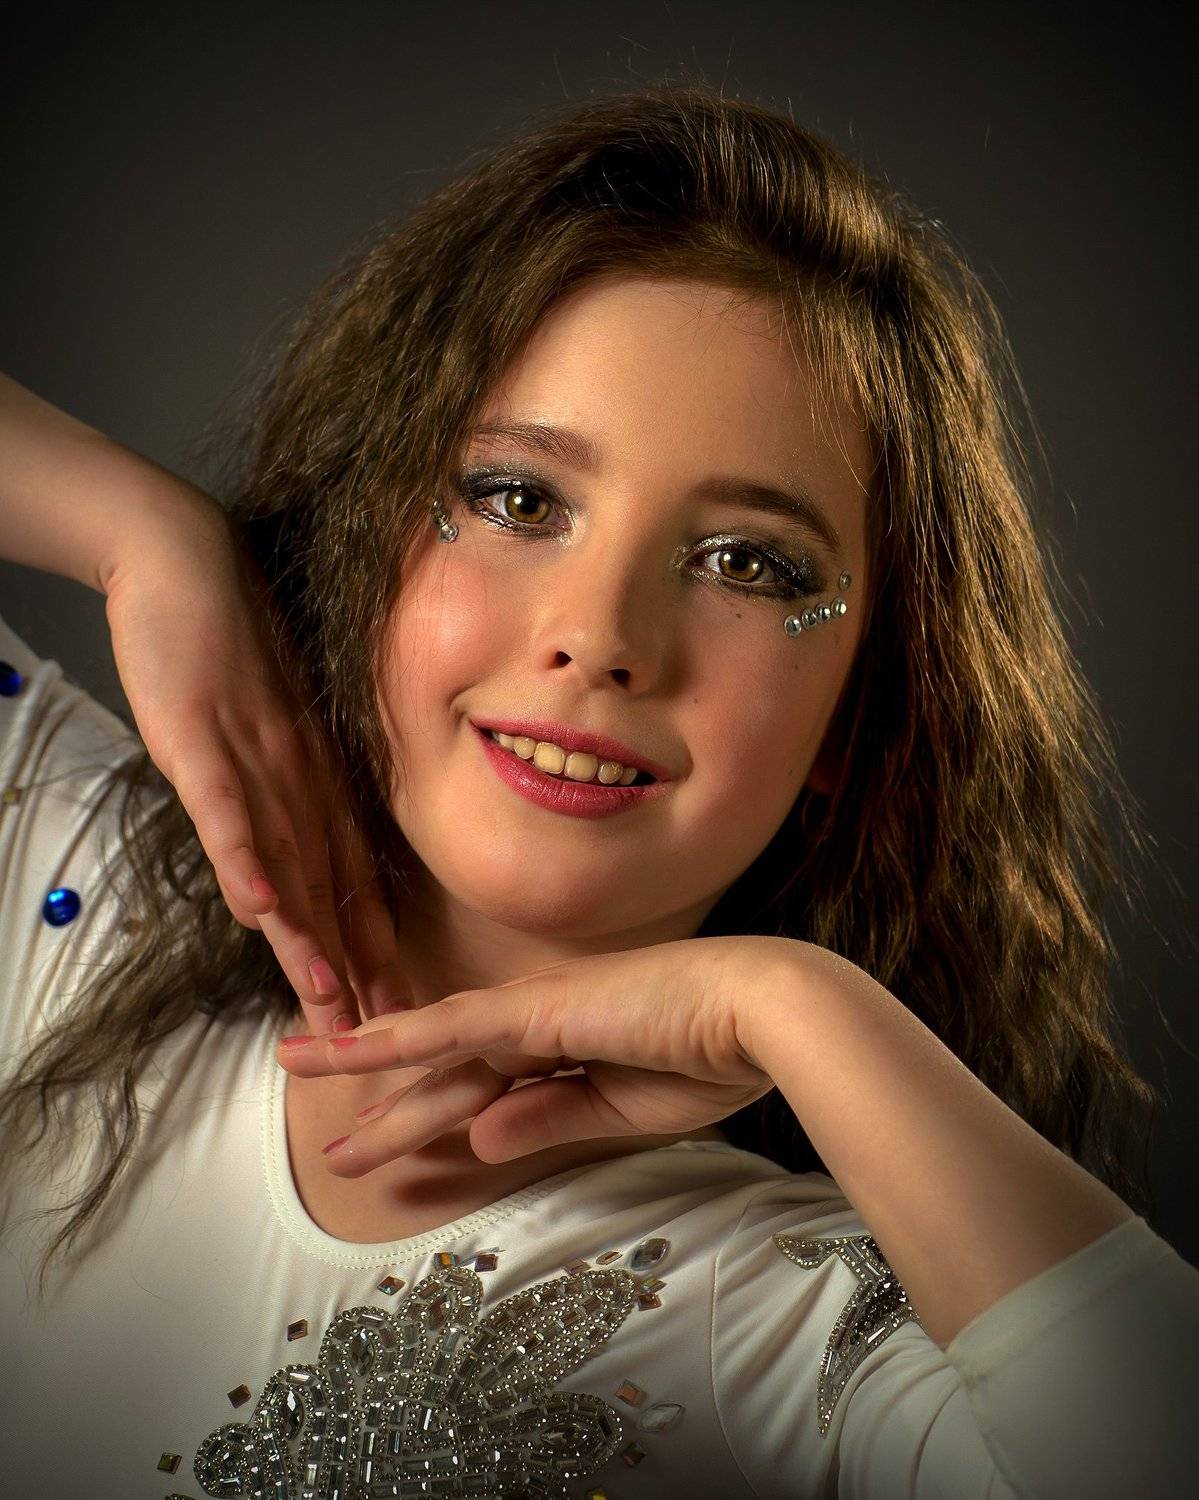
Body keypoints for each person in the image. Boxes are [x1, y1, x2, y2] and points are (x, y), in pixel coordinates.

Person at [1, 83, 1195, 1500]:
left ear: (858, 720)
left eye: (748, 564)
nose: (601, 636)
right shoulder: (57, 887)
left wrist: (800, 1009)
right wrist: (140, 531)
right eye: (518, 499)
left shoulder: (777, 1312)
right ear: (368, 529)